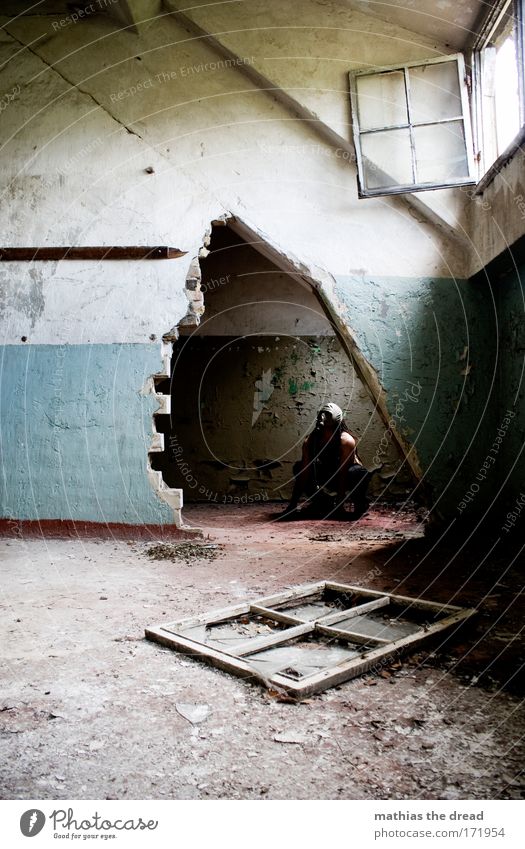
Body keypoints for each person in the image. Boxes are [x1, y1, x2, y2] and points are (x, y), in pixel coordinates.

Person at [279, 402, 379, 520]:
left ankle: (360, 503)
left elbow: (342, 474)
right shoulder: (311, 441)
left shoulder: (346, 441)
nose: (326, 433)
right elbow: (304, 472)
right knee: (298, 467)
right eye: (324, 429)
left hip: (347, 476)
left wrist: (340, 506)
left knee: (356, 472)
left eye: (329, 429)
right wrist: (292, 505)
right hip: (328, 473)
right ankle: (323, 501)